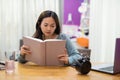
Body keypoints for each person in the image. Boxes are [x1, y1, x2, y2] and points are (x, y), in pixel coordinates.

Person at [18, 10, 82, 66]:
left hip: (59, 73)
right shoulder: (35, 39)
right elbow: (21, 61)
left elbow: (78, 56)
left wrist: (68, 60)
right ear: (39, 24)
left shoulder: (63, 37)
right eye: (45, 25)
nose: (49, 29)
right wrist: (22, 54)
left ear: (56, 26)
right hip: (38, 72)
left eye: (52, 26)